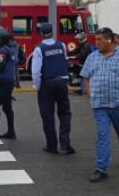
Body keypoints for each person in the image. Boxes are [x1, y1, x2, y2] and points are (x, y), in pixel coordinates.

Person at [80, 27, 119, 183]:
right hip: (99, 105)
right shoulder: (92, 57)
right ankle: (101, 168)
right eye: (95, 39)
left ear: (109, 40)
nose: (96, 43)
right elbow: (85, 76)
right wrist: (88, 90)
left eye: (99, 39)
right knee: (102, 136)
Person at [32, 23, 75, 155]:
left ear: (41, 34)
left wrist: (38, 87)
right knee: (65, 113)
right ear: (52, 32)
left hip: (47, 84)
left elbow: (36, 72)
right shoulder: (61, 45)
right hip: (62, 82)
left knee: (47, 115)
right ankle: (65, 144)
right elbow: (63, 61)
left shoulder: (39, 49)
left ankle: (52, 146)